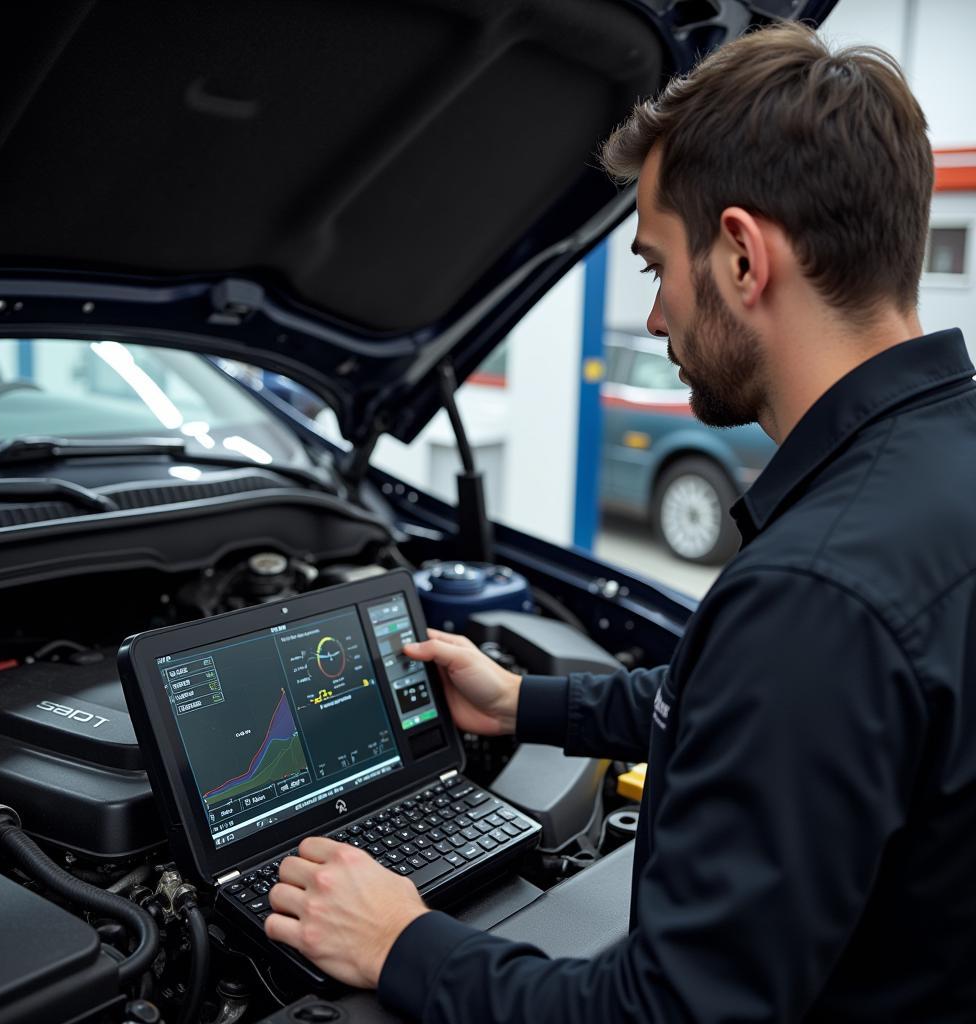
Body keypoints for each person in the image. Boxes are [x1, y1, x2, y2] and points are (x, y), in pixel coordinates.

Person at [264, 21, 976, 1022]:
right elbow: (753, 710)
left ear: (739, 257)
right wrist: (523, 702)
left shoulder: (818, 594)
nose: (653, 320)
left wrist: (399, 940)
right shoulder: (938, 468)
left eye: (652, 267)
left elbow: (665, 1013)